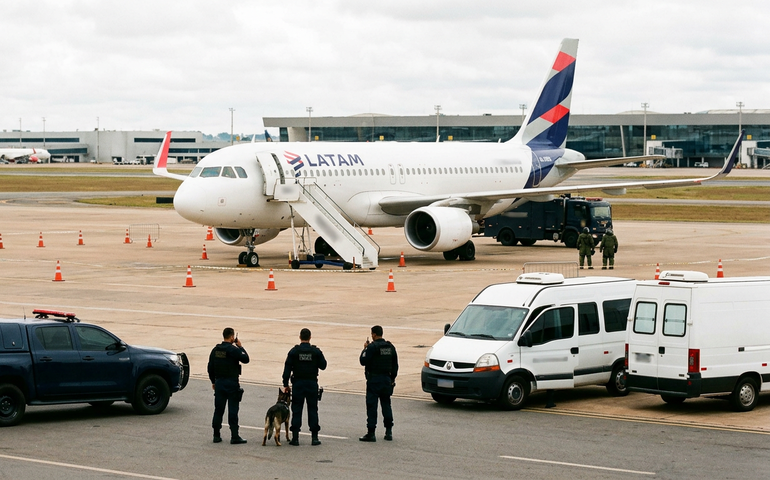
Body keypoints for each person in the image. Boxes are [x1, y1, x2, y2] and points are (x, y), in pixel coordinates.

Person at [282, 328, 327, 446]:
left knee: (297, 410)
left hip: (298, 384)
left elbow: (287, 369)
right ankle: (314, 437)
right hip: (311, 384)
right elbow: (323, 366)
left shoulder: (294, 351)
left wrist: (285, 384)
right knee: (313, 409)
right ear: (310, 337)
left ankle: (295, 438)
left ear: (300, 337)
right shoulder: (315, 351)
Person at [208, 327, 250, 444]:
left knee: (218, 410)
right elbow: (246, 359)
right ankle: (234, 436)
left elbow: (210, 367)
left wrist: (213, 382)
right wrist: (240, 346)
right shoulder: (233, 350)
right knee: (233, 410)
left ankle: (216, 435)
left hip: (219, 383)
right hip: (232, 383)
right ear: (232, 337)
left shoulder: (215, 350)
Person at [359, 325, 399, 442]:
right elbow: (395, 366)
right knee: (386, 405)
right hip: (386, 379)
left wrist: (365, 349)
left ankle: (371, 433)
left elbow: (363, 361)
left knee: (372, 406)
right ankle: (388, 431)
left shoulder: (372, 347)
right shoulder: (390, 347)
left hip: (374, 380)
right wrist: (392, 379)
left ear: (374, 334)